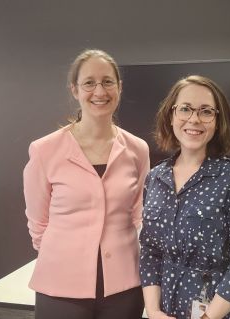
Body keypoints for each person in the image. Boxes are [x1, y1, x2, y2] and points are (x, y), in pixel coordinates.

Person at [23, 49, 149, 319]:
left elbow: (138, 212)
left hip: (124, 286)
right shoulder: (45, 150)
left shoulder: (138, 149)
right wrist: (64, 257)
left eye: (107, 81)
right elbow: (38, 223)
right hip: (60, 285)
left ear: (119, 87)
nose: (99, 91)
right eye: (89, 83)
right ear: (75, 90)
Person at [139, 75, 230, 319]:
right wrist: (153, 311)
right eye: (185, 109)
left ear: (218, 121)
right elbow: (150, 252)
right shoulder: (155, 178)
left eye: (206, 111)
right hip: (166, 311)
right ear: (171, 115)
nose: (194, 119)